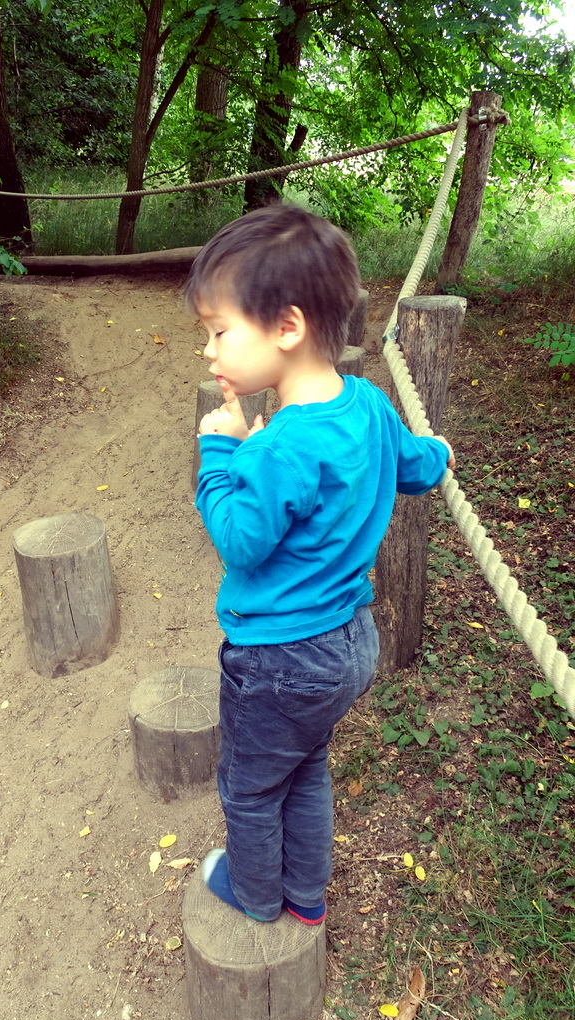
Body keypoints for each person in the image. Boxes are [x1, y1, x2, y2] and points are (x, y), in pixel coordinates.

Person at [187, 204, 456, 925]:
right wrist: (443, 456)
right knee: (304, 766)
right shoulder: (367, 404)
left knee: (248, 789)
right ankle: (304, 894)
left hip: (279, 660)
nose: (209, 352)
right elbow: (416, 466)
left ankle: (256, 894)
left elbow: (241, 540)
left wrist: (219, 452)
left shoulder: (279, 447)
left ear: (287, 327)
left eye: (219, 332)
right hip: (347, 646)